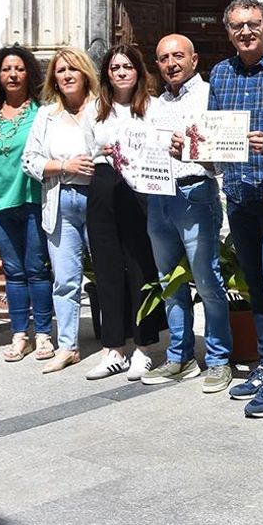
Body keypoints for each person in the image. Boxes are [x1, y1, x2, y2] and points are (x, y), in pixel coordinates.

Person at [206, 0, 263, 415]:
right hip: (240, 195)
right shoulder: (221, 74)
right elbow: (210, 137)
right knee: (256, 286)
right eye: (238, 26)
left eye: (253, 24)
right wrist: (189, 145)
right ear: (228, 31)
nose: (246, 32)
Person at [143, 33, 235, 394]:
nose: (171, 63)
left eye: (178, 56)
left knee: (207, 280)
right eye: (164, 58)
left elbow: (226, 148)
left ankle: (218, 359)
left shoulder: (210, 94)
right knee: (169, 282)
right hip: (158, 196)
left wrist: (194, 149)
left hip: (196, 191)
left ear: (194, 59)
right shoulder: (153, 104)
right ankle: (179, 357)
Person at [84, 44, 166, 381]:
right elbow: (87, 149)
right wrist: (99, 150)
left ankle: (144, 348)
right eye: (114, 67)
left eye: (127, 67)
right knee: (106, 269)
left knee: (140, 267)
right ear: (106, 74)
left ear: (138, 72)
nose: (120, 73)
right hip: (103, 187)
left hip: (140, 190)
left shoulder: (154, 108)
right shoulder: (95, 110)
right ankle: (113, 348)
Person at [20, 45, 101, 374]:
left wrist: (94, 166)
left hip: (97, 203)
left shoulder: (102, 108)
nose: (67, 75)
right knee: (65, 280)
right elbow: (29, 160)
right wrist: (65, 165)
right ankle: (68, 346)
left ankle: (117, 343)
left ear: (85, 74)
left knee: (111, 275)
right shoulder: (46, 115)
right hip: (60, 200)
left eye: (73, 69)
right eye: (61, 70)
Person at [0, 45, 55, 363]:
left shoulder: (42, 113)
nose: (12, 74)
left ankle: (43, 335)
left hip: (32, 202)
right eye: (6, 69)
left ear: (30, 74)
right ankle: (19, 334)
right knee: (12, 272)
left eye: (19, 68)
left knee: (37, 270)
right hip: (0, 205)